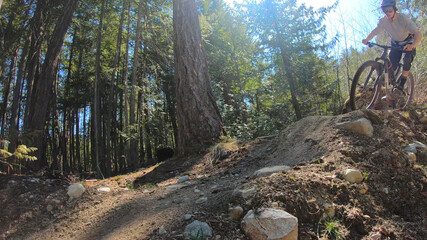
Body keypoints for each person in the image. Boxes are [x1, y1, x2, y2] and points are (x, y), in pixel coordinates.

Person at [362, 0, 422, 91]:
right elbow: (375, 31)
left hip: (408, 42)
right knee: (391, 65)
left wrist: (413, 46)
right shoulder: (383, 21)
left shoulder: (403, 18)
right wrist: (367, 39)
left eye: (390, 10)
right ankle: (389, 84)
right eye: (385, 11)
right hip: (395, 43)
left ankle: (401, 85)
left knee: (407, 60)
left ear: (394, 9)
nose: (388, 13)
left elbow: (418, 34)